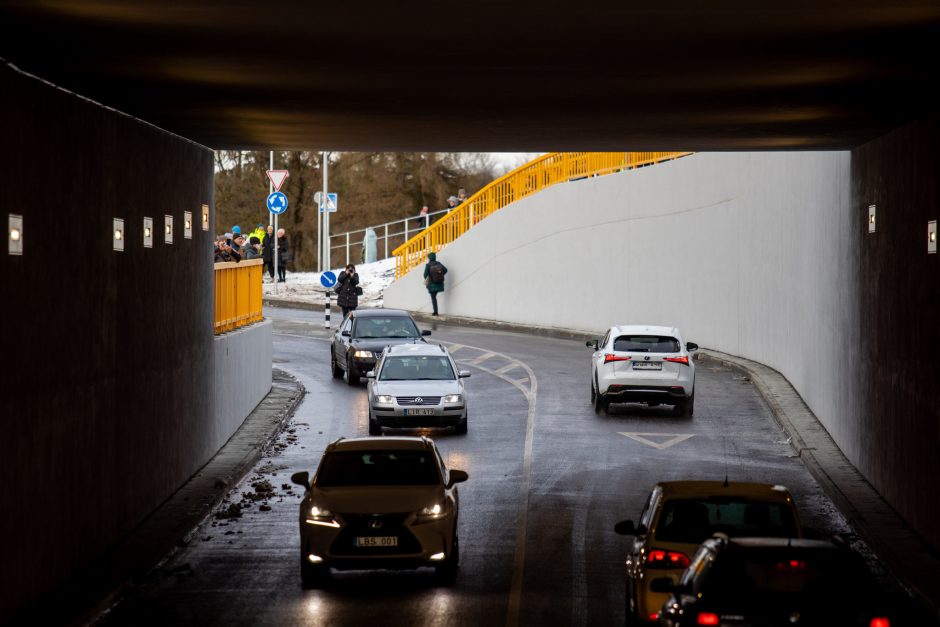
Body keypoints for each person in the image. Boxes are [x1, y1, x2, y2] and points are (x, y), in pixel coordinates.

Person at [423, 252, 447, 316]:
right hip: (439, 284)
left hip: (432, 285)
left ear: (429, 258)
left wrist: (431, 277)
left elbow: (425, 275)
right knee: (434, 297)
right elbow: (446, 270)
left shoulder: (428, 265)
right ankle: (435, 311)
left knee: (433, 298)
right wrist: (440, 275)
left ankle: (435, 312)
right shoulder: (439, 264)